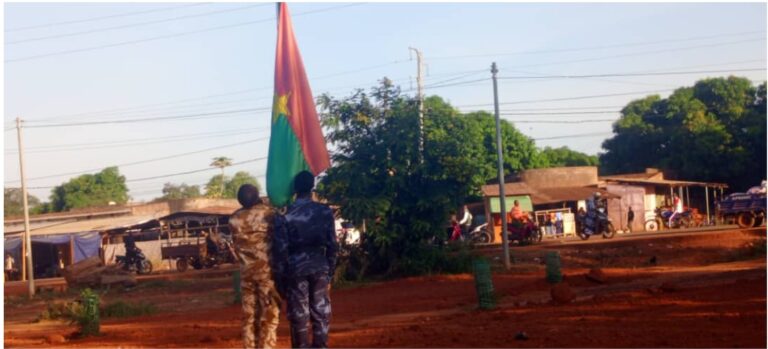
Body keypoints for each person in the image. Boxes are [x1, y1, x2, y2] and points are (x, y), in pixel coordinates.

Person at [273, 171, 338, 348]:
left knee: (299, 315)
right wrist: (330, 272)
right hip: (319, 266)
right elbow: (333, 245)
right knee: (320, 312)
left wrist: (280, 280)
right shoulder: (324, 211)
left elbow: (280, 250)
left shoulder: (285, 214)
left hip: (295, 269)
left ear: (294, 189)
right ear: (312, 186)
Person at [229, 184, 281, 349]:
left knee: (249, 318)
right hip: (267, 274)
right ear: (257, 197)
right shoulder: (268, 214)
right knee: (269, 317)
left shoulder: (233, 220)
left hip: (247, 275)